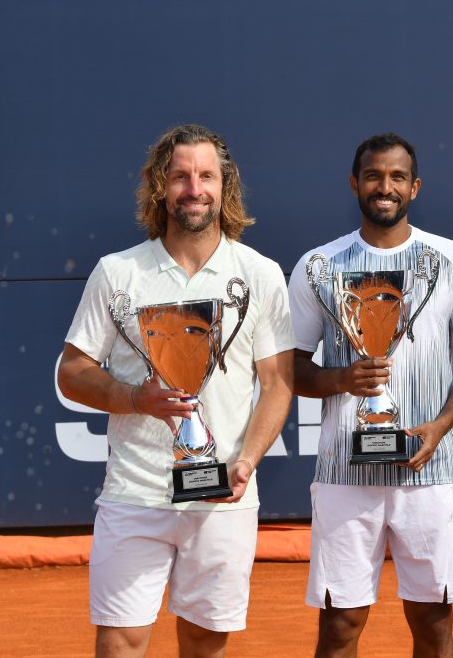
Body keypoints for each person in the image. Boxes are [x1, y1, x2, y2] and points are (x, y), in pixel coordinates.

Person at [57, 124, 295, 657]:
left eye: (206, 176)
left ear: (224, 186)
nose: (194, 188)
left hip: (223, 498)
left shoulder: (260, 274)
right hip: (135, 493)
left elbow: (279, 383)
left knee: (205, 644)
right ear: (160, 188)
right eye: (181, 176)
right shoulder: (117, 273)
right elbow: (71, 373)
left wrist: (248, 461)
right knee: (121, 642)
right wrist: (135, 398)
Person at [288, 133, 453, 658]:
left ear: (415, 186)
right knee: (340, 627)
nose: (385, 187)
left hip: (426, 472)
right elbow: (289, 370)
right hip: (344, 474)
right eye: (374, 176)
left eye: (397, 177)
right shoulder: (318, 266)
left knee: (433, 624)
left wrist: (440, 427)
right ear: (355, 184)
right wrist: (341, 380)